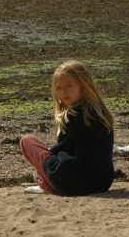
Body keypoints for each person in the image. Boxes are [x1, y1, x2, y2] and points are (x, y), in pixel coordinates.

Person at [20, 60, 115, 196]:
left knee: (27, 140)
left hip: (71, 183)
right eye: (58, 88)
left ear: (84, 85)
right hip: (101, 183)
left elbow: (61, 150)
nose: (63, 92)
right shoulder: (102, 113)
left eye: (69, 86)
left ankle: (44, 183)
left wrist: (46, 160)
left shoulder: (73, 115)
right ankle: (46, 182)